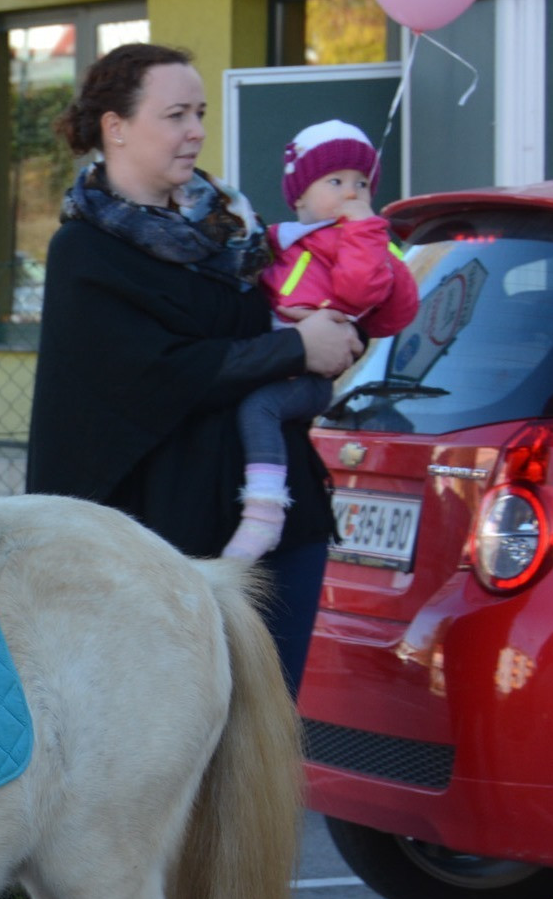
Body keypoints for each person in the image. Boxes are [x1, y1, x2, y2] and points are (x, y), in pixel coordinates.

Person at [26, 43, 364, 695]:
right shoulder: (84, 252)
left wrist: (343, 319)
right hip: (165, 543)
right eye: (176, 114)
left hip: (277, 518)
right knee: (177, 750)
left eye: (200, 113)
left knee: (266, 734)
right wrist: (296, 350)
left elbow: (298, 311)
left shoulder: (235, 230)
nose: (196, 132)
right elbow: (155, 375)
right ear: (115, 127)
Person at [222, 119, 419, 560]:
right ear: (301, 194)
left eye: (362, 182)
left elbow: (360, 293)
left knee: (260, 408)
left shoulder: (357, 242)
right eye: (336, 181)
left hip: (308, 374)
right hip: (278, 356)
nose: (352, 192)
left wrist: (366, 232)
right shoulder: (285, 240)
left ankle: (264, 514)